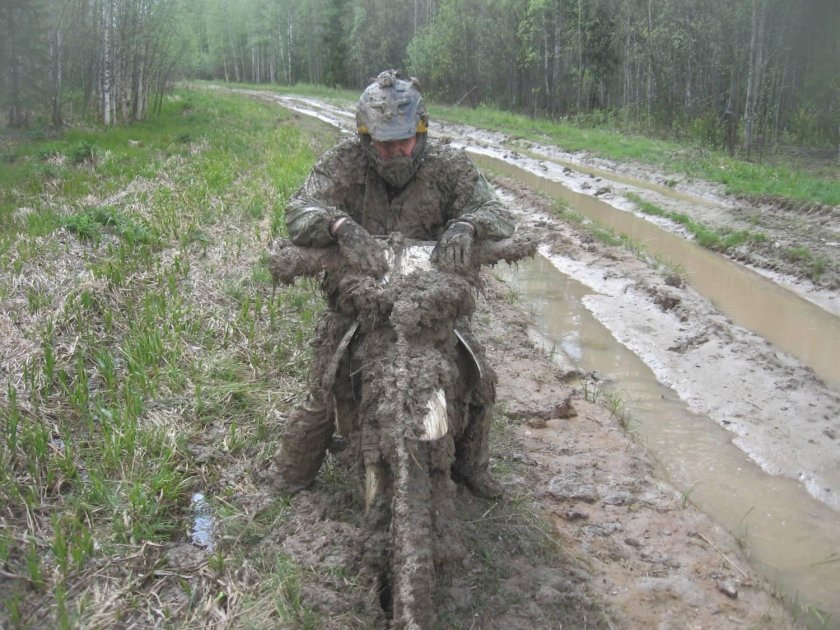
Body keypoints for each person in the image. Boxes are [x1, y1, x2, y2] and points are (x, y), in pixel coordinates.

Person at [273, 69, 515, 499]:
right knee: (328, 383)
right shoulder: (343, 163)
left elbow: (497, 213)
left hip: (432, 303)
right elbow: (298, 211)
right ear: (366, 140)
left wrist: (467, 225)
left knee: (478, 378)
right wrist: (338, 224)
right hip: (361, 304)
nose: (397, 153)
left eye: (405, 141)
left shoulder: (449, 166)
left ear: (422, 132)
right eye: (385, 145)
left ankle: (473, 466)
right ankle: (294, 475)